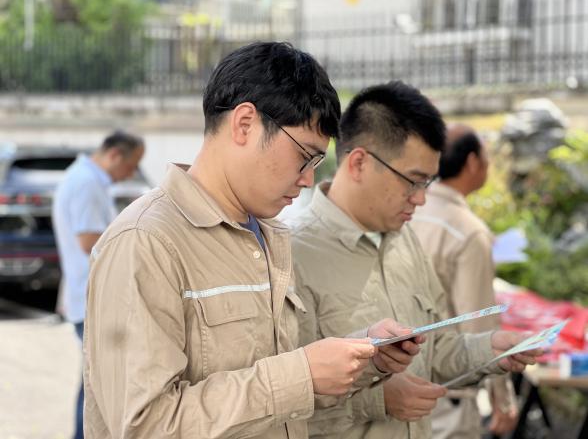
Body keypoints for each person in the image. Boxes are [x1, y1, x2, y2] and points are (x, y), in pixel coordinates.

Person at [83, 42, 421, 439]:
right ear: (245, 124)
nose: (308, 179)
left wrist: (362, 356)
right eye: (305, 156)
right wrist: (301, 375)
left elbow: (283, 391)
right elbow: (143, 425)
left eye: (317, 163)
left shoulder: (269, 235)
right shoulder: (145, 242)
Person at [290, 82, 541, 439]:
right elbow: (279, 405)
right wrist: (377, 401)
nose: (421, 199)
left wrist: (489, 349)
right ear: (359, 163)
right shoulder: (293, 254)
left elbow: (435, 350)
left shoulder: (403, 239)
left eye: (428, 183)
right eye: (413, 181)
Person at [411, 124, 518, 439]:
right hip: (448, 392)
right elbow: (479, 322)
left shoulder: (409, 210)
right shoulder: (468, 232)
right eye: (487, 155)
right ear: (472, 162)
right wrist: (502, 397)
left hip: (399, 378)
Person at [52, 131, 145, 439]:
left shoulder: (84, 178)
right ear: (115, 155)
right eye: (132, 165)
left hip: (87, 295)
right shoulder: (87, 183)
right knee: (99, 385)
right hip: (93, 298)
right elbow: (89, 240)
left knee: (97, 382)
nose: (131, 173)